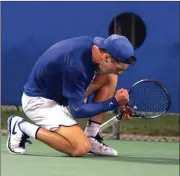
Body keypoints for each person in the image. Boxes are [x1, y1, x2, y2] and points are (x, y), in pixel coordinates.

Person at [7, 34, 136, 157]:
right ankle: (21, 126)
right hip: (40, 102)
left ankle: (92, 136)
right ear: (106, 58)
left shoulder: (100, 48)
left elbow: (103, 77)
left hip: (63, 92)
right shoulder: (76, 66)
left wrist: (120, 102)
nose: (120, 73)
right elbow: (77, 111)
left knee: (110, 77)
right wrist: (114, 103)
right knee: (80, 148)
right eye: (119, 69)